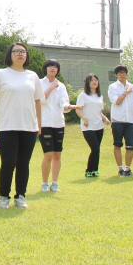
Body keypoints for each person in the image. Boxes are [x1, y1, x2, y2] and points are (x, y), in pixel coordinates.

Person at [0, 42, 43, 208]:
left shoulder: (32, 76)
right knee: (8, 163)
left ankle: (21, 197)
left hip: (29, 127)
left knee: (23, 164)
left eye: (23, 52)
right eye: (16, 51)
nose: (20, 54)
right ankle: (4, 196)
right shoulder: (0, 74)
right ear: (9, 55)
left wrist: (39, 125)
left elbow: (38, 102)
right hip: (6, 126)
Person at [39, 59, 80, 192]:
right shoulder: (39, 83)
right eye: (50, 66)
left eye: (55, 67)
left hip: (58, 123)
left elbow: (64, 103)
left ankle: (54, 182)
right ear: (45, 68)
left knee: (57, 155)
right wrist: (51, 87)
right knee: (48, 154)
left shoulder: (61, 86)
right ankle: (44, 183)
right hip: (44, 123)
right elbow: (40, 100)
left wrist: (69, 106)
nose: (53, 68)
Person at [108, 65, 133, 176]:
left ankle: (128, 169)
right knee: (117, 144)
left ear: (126, 74)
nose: (122, 74)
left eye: (123, 72)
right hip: (118, 120)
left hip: (131, 120)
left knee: (130, 146)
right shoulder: (113, 87)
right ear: (116, 75)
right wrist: (125, 92)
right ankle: (120, 169)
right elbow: (117, 101)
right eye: (119, 73)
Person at [76, 74, 111, 178]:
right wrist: (84, 118)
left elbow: (99, 112)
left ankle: (95, 171)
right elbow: (78, 110)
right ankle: (88, 170)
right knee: (95, 148)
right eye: (92, 80)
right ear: (88, 83)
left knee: (97, 149)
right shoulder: (83, 95)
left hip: (99, 126)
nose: (94, 82)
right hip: (88, 126)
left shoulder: (100, 96)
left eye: (96, 80)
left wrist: (105, 118)